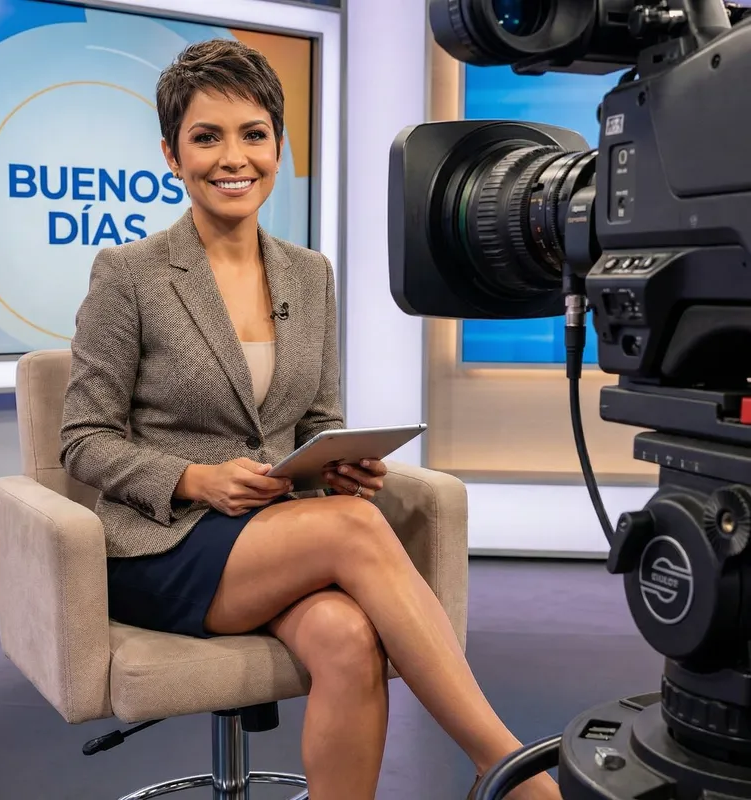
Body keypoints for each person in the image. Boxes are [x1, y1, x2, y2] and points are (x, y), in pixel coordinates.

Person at [59, 38, 561, 800]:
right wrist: (196, 478)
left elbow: (318, 415)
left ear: (279, 145)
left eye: (254, 134)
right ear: (172, 154)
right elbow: (83, 441)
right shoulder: (128, 274)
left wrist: (336, 463)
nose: (234, 157)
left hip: (272, 535)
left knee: (348, 638)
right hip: (161, 550)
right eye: (207, 136)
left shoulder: (309, 273)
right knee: (355, 529)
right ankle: (506, 766)